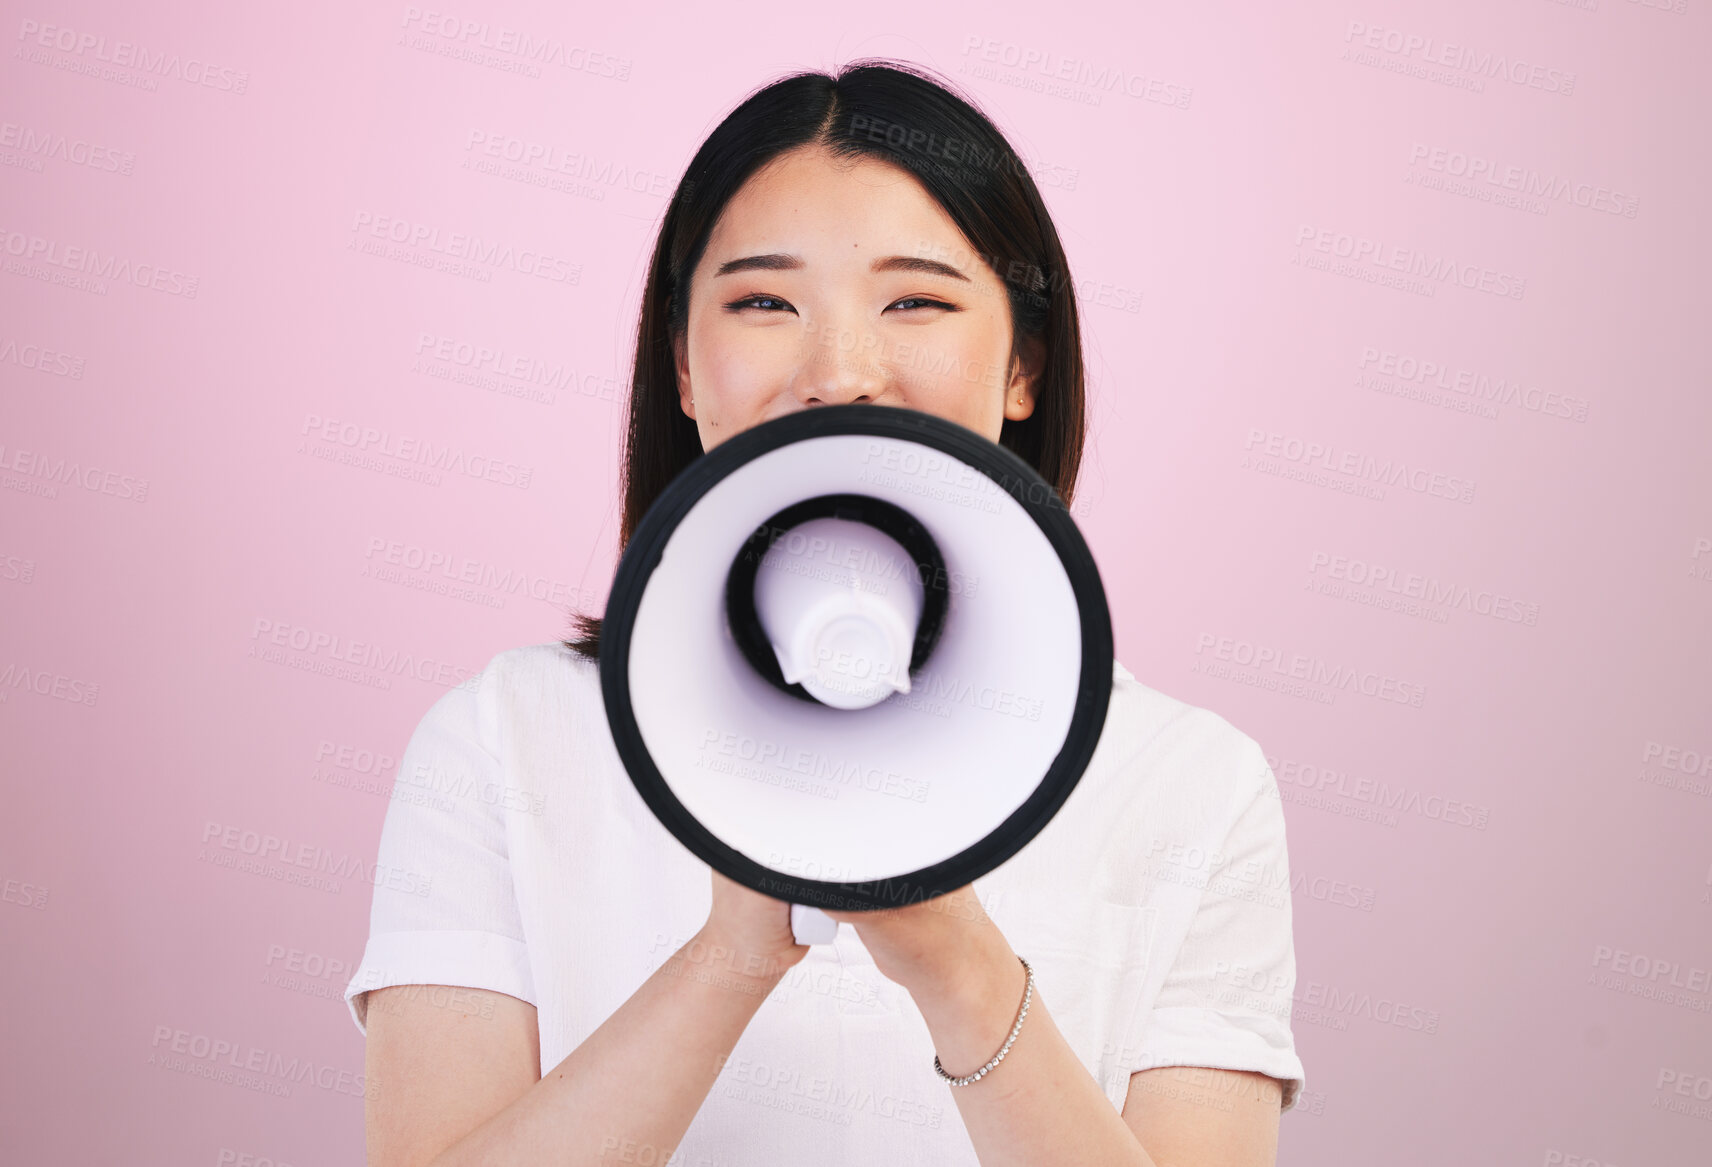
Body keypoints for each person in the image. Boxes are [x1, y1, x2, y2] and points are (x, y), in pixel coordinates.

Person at [344, 59, 1305, 1166]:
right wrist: (731, 956)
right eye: (761, 301)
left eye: (917, 302)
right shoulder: (500, 740)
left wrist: (958, 965)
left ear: (1022, 366)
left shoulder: (1191, 783)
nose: (840, 373)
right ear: (685, 368)